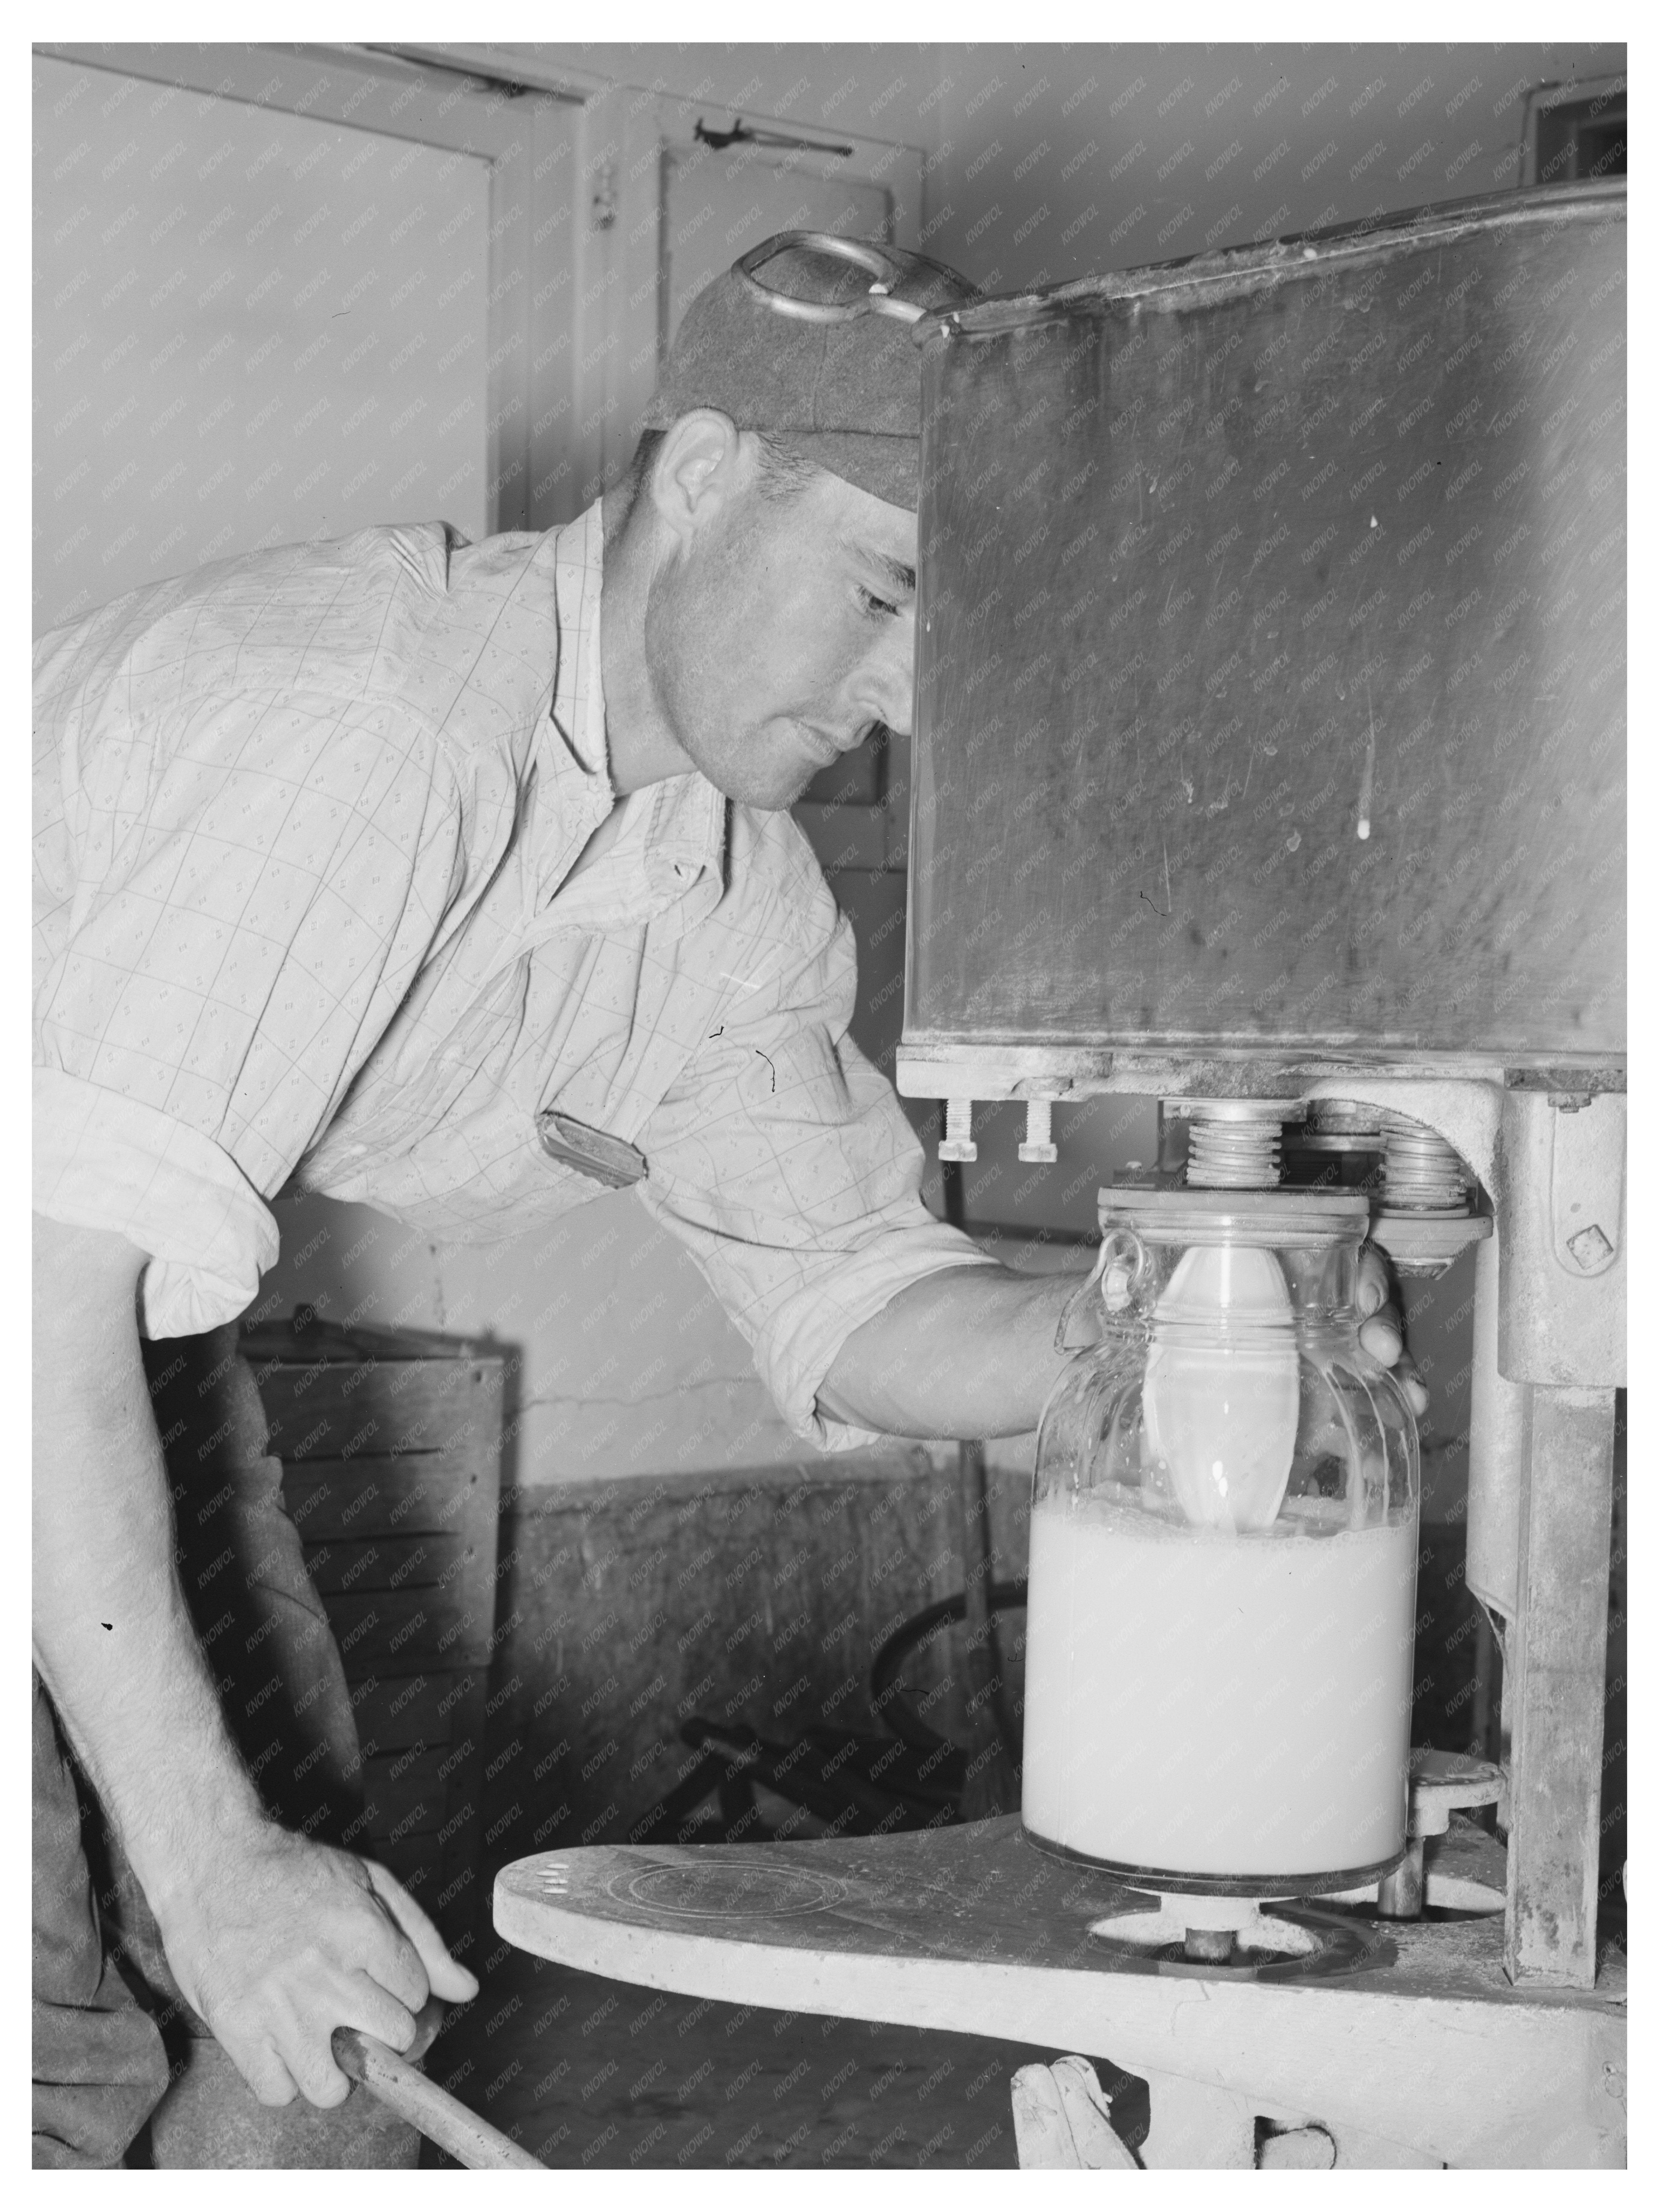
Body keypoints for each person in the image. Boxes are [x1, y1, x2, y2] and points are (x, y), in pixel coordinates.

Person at [33, 232, 1422, 2165]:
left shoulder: (726, 892)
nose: (914, 694)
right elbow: (46, 1282)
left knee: (334, 2021)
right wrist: (203, 1860)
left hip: (126, 1325)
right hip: (48, 1298)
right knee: (66, 2042)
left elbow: (856, 1295)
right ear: (699, 471)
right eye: (884, 587)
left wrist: (1176, 1328)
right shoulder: (374, 729)